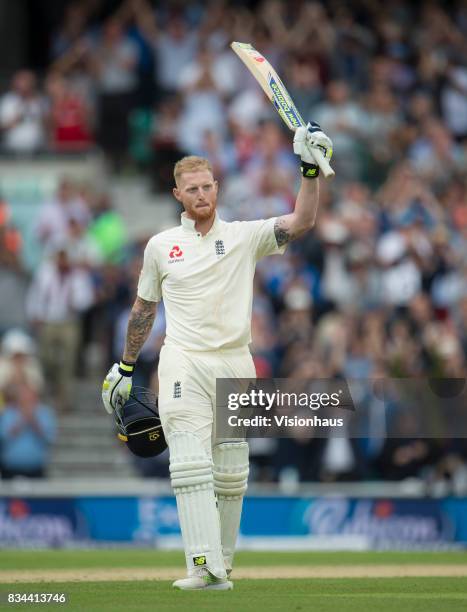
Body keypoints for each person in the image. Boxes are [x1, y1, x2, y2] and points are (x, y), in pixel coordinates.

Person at [102, 123, 332, 590]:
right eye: (192, 189)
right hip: (183, 359)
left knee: (231, 474)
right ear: (177, 195)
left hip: (236, 363)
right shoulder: (160, 246)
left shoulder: (245, 236)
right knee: (188, 462)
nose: (202, 194)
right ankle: (202, 564)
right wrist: (125, 366)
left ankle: (221, 568)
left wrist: (310, 170)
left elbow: (301, 221)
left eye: (207, 186)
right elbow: (143, 309)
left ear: (217, 188)